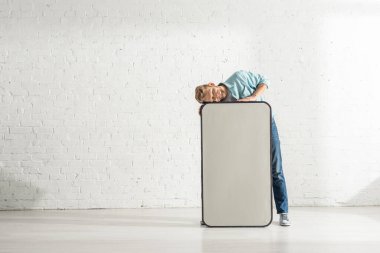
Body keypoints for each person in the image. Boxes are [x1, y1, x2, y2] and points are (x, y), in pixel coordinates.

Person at [195, 70, 291, 226]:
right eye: (212, 100)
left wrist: (253, 97)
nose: (216, 98)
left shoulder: (239, 77)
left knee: (276, 168)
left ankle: (283, 212)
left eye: (213, 93)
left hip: (264, 124)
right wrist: (206, 112)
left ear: (212, 84)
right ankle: (213, 213)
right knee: (231, 171)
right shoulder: (219, 106)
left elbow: (264, 79)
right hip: (243, 133)